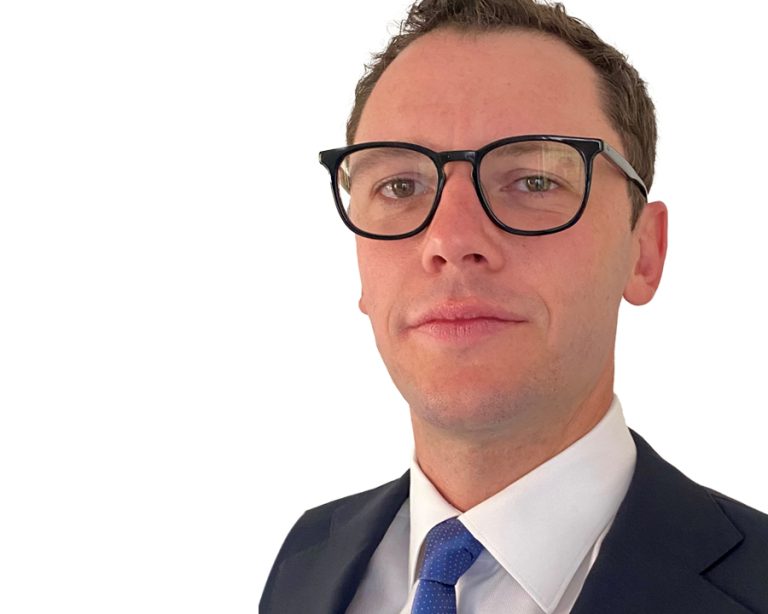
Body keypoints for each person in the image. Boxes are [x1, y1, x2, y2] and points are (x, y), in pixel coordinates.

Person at [260, 0, 768, 612]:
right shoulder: (306, 559)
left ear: (644, 252)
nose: (451, 240)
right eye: (400, 186)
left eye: (534, 181)